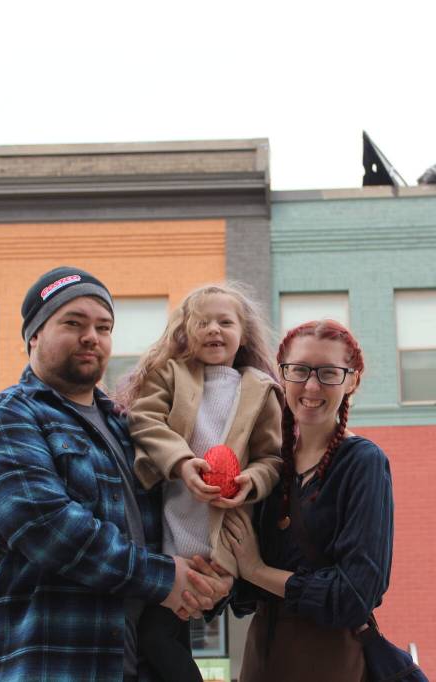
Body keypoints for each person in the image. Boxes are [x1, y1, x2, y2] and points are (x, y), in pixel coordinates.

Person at [0, 266, 228, 682]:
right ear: (34, 335)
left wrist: (207, 581)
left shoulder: (128, 425)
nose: (91, 337)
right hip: (46, 667)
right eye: (73, 323)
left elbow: (176, 521)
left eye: (103, 327)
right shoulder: (4, 419)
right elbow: (45, 527)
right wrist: (164, 577)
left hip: (139, 666)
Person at [118, 283, 283, 682]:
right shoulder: (170, 374)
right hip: (171, 535)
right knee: (160, 636)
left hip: (221, 540)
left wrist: (250, 481)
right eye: (202, 322)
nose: (214, 330)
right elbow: (144, 419)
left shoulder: (260, 390)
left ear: (243, 334)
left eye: (225, 322)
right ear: (185, 332)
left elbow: (272, 458)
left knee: (161, 634)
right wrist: (181, 462)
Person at [222, 319, 394, 682]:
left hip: (331, 662)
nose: (312, 386)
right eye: (299, 370)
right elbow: (242, 592)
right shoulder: (268, 465)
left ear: (352, 381)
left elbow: (354, 595)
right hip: (262, 660)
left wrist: (257, 571)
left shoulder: (363, 463)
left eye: (329, 373)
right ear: (282, 375)